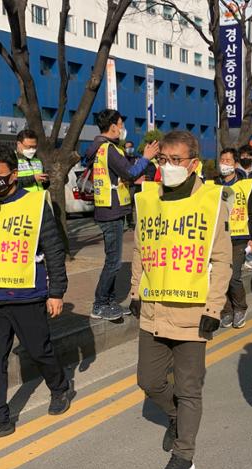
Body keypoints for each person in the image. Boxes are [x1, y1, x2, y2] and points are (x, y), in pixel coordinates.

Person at [130, 130, 232, 469]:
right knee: (149, 380)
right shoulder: (148, 199)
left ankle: (184, 455)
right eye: (163, 160)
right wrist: (134, 292)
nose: (169, 167)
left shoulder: (211, 201)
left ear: (193, 164)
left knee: (189, 388)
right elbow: (140, 249)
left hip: (194, 314)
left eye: (176, 161)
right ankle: (175, 417)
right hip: (154, 309)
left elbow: (222, 261)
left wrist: (214, 309)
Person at [0, 144, 70, 446]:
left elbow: (53, 248)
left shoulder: (36, 204)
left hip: (28, 295)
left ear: (13, 174)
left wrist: (56, 292)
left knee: (39, 350)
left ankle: (60, 386)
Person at [85, 109, 159, 321]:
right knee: (114, 262)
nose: (123, 128)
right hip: (112, 210)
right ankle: (99, 303)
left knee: (113, 259)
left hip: (106, 207)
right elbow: (131, 173)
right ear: (113, 126)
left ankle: (108, 302)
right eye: (121, 123)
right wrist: (146, 158)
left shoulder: (99, 148)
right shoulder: (108, 149)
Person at [215, 147, 252, 329]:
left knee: (233, 276)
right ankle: (226, 311)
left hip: (239, 238)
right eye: (222, 160)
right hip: (219, 237)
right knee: (219, 276)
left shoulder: (246, 186)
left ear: (235, 165)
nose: (224, 163)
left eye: (228, 160)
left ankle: (240, 308)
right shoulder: (214, 186)